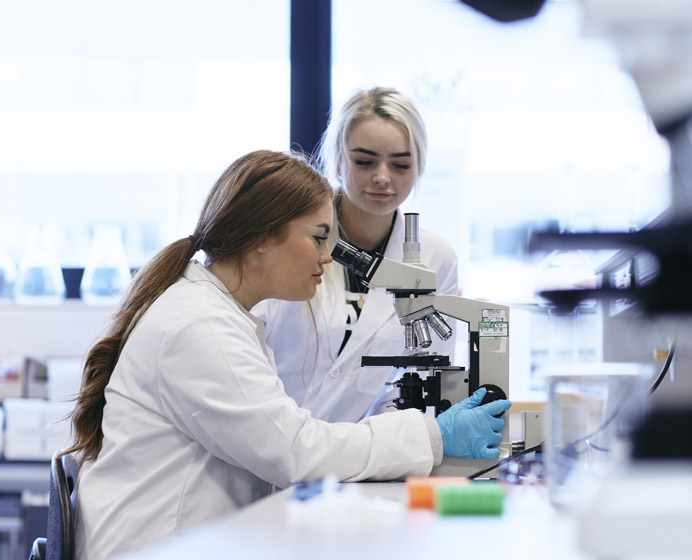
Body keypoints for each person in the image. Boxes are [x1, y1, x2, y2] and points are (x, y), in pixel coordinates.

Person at [64, 150, 511, 560]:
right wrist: (432, 435)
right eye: (318, 238)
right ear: (262, 237)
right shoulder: (199, 328)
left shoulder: (218, 313)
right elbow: (295, 452)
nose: (327, 258)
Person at [253, 87, 460, 423]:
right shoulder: (288, 237)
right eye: (364, 161)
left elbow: (423, 377)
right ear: (337, 159)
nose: (382, 177)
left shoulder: (436, 258)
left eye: (401, 164)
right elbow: (250, 348)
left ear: (419, 167)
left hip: (359, 459)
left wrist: (380, 449)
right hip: (265, 442)